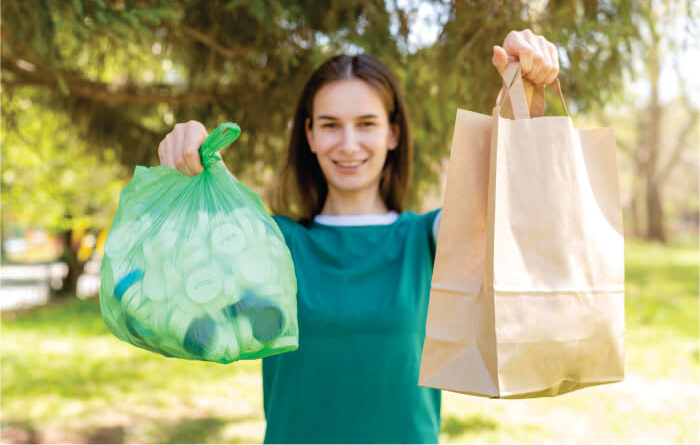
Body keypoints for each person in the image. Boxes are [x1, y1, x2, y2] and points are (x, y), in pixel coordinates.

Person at [158, 29, 560, 444]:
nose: (348, 144)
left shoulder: (426, 239)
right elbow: (184, 262)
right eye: (330, 125)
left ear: (393, 133)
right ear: (309, 135)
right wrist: (189, 154)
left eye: (366, 124)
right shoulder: (277, 243)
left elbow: (512, 199)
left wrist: (526, 92)